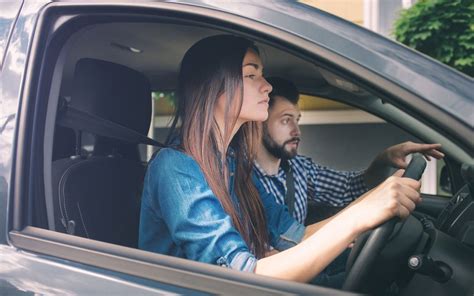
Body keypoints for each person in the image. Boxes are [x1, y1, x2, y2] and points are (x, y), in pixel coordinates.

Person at [138, 35, 422, 284]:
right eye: (252, 75)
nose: (267, 87)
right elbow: (240, 281)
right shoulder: (176, 167)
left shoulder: (234, 166)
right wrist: (357, 218)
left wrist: (374, 201)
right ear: (214, 87)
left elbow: (294, 236)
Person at [254, 77, 444, 225]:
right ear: (259, 122)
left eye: (298, 120)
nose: (297, 131)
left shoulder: (298, 168)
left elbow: (350, 187)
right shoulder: (241, 178)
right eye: (286, 120)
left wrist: (384, 159)